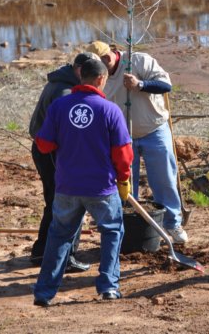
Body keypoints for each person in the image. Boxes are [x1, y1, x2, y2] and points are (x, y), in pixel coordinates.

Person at [33, 59, 133, 306]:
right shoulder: (110, 110)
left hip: (67, 186)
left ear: (81, 77)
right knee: (111, 232)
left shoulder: (59, 107)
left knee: (59, 235)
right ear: (101, 79)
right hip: (101, 188)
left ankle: (44, 293)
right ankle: (108, 287)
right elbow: (123, 153)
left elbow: (44, 144)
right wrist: (124, 178)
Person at [86, 41, 188, 244]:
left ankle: (172, 223)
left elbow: (166, 86)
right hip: (123, 137)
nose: (106, 63)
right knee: (124, 185)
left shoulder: (139, 61)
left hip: (154, 130)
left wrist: (140, 85)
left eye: (107, 57)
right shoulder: (99, 76)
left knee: (164, 179)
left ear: (114, 52)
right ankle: (126, 227)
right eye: (101, 61)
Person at [28, 52, 99, 272]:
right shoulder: (65, 92)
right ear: (79, 69)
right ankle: (66, 257)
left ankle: (41, 251)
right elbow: (67, 133)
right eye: (87, 71)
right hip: (52, 152)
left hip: (45, 150)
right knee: (70, 204)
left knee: (55, 202)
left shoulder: (61, 82)